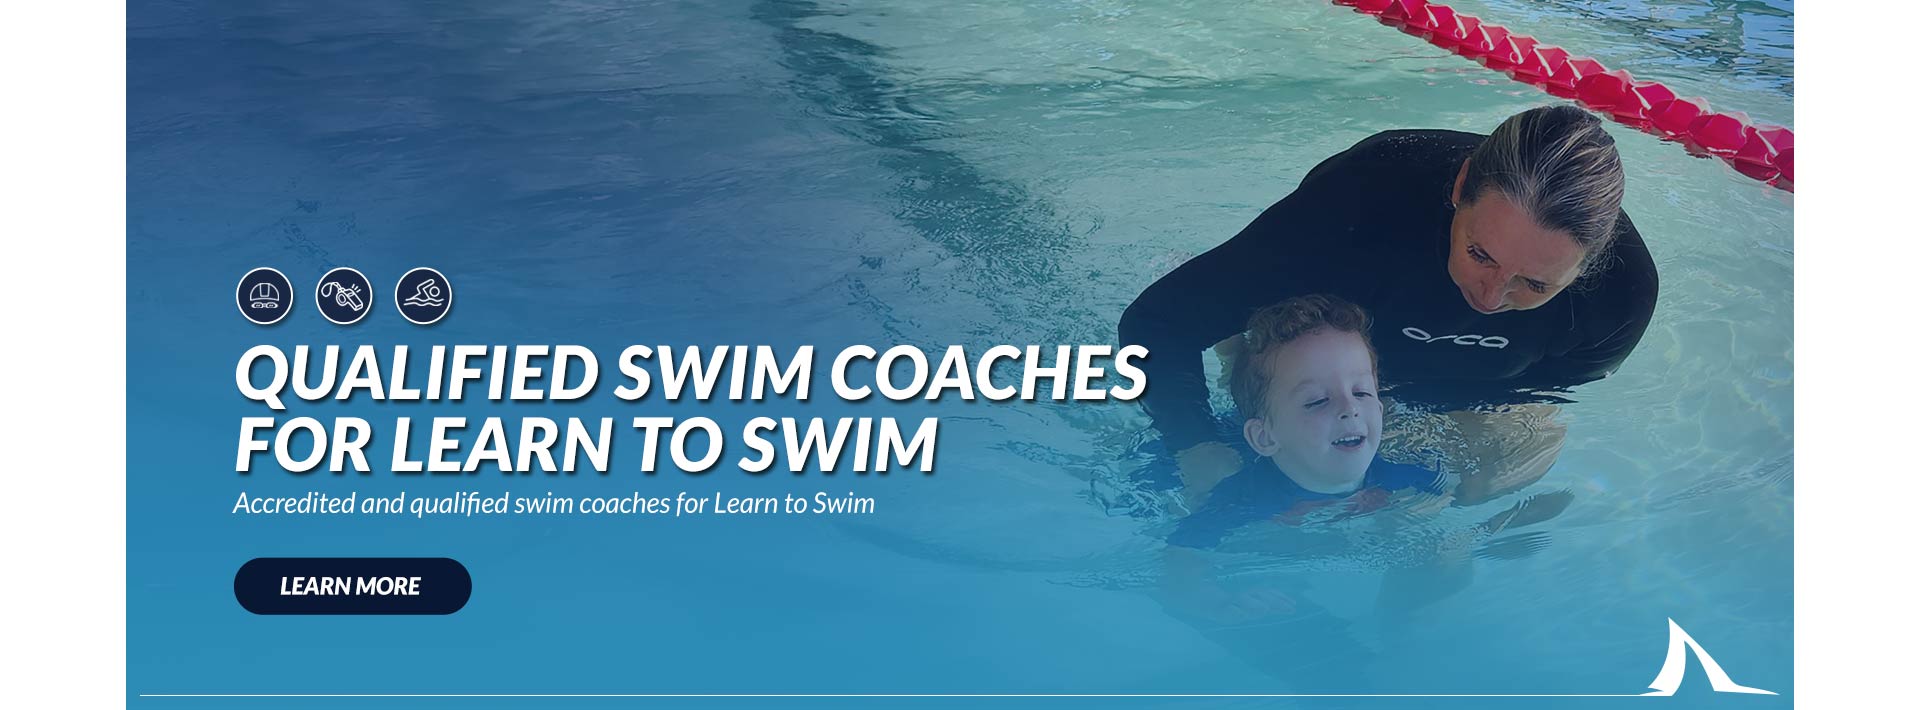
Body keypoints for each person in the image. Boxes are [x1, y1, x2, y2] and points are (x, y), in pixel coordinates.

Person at [1119, 105, 1657, 501]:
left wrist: (1419, 440)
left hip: (1465, 377)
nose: (1490, 296)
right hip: (1328, 312)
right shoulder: (1361, 202)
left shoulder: (1618, 300)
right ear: (1460, 186)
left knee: (1486, 482)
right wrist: (1196, 448)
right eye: (1479, 253)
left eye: (1534, 285)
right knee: (1262, 440)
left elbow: (1536, 397)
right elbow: (1157, 323)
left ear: (1587, 267)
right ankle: (1241, 337)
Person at [1157, 295, 1571, 627]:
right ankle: (1231, 343)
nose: (1349, 409)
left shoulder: (1399, 473)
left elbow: (1446, 493)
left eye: (1362, 393)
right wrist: (1213, 601)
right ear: (1265, 438)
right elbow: (1181, 557)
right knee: (1239, 383)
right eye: (1318, 401)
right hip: (1236, 437)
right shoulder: (1245, 498)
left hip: (1279, 424)